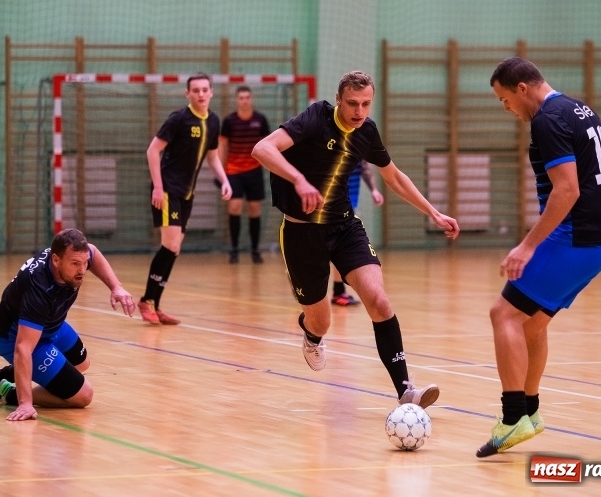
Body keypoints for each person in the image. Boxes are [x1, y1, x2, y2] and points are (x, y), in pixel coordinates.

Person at [251, 70, 460, 408]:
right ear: (338, 99)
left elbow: (394, 177)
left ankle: (406, 390)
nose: (359, 112)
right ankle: (310, 332)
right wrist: (299, 180)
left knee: (378, 300)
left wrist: (433, 212)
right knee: (322, 320)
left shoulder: (367, 132)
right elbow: (263, 149)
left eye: (365, 104)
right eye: (352, 103)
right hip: (301, 232)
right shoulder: (315, 119)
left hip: (345, 227)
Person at [476, 57, 601, 457]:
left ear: (522, 88)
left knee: (503, 314)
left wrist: (527, 246)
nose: (506, 109)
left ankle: (512, 420)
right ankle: (532, 413)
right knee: (531, 323)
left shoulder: (547, 120)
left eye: (505, 99)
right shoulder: (582, 109)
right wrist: (595, 215)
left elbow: (567, 191)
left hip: (574, 240)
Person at [0, 228, 136, 421]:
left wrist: (116, 287)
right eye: (75, 264)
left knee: (81, 364)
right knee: (84, 395)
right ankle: (11, 393)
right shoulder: (39, 288)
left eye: (84, 263)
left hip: (52, 324)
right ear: (55, 260)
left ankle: (1, 376)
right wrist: (26, 403)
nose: (82, 270)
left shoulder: (70, 257)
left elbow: (93, 251)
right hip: (16, 336)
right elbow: (23, 347)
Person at [138, 72, 232, 325]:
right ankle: (147, 300)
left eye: (205, 90)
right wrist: (158, 187)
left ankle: (154, 304)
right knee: (170, 245)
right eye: (196, 90)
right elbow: (153, 151)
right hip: (168, 189)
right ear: (187, 94)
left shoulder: (213, 121)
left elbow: (212, 157)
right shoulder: (179, 119)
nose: (201, 94)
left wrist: (224, 180)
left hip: (187, 193)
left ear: (211, 92)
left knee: (175, 247)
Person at [218, 85, 271, 264]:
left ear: (252, 99)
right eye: (241, 98)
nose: (244, 100)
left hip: (254, 171)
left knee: (255, 210)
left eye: (247, 97)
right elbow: (223, 146)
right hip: (233, 171)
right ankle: (234, 249)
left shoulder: (260, 120)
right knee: (235, 207)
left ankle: (255, 250)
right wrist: (221, 172)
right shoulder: (229, 121)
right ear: (237, 100)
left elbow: (267, 146)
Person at [330, 160, 384, 306]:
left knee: (339, 247)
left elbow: (365, 167)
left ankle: (339, 291)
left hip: (349, 203)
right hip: (327, 205)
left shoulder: (358, 141)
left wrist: (373, 189)